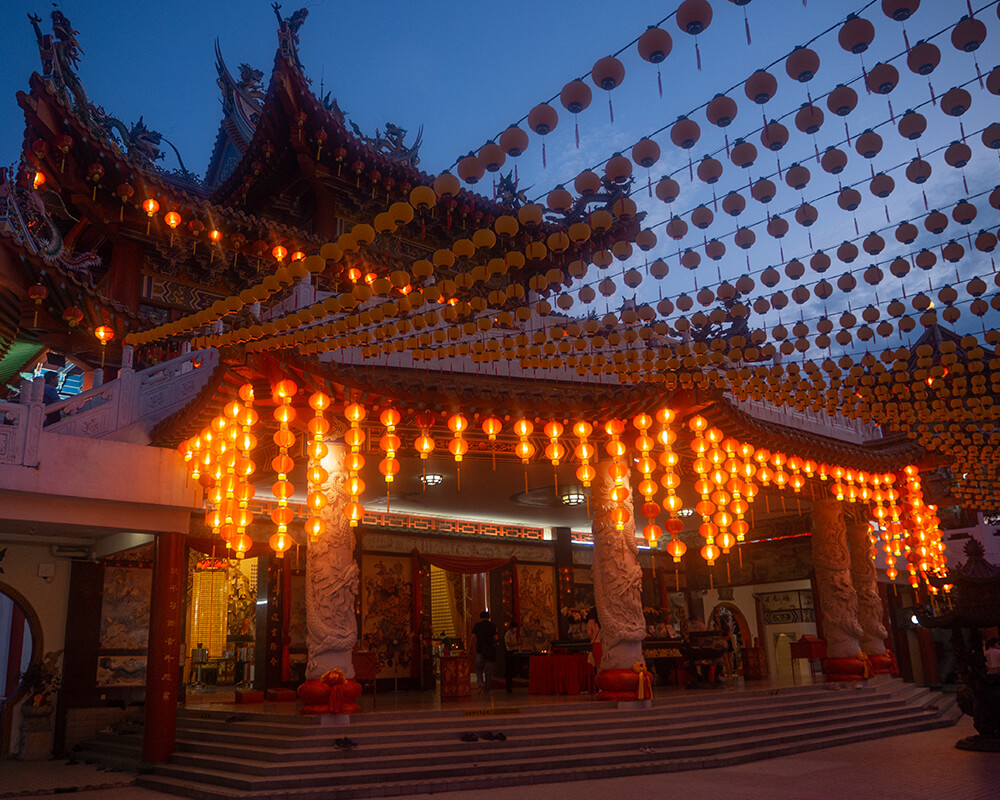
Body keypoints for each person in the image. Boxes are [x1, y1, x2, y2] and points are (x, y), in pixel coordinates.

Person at [470, 610, 498, 694]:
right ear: (488, 617)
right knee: (488, 672)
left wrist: (469, 648)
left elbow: (473, 637)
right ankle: (487, 689)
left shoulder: (477, 626)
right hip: (489, 651)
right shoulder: (492, 625)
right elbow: (496, 637)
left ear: (480, 617)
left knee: (478, 669)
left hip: (480, 650)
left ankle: (480, 683)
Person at [504, 622, 522, 694]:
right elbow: (508, 644)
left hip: (515, 652)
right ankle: (508, 688)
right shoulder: (507, 634)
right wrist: (516, 643)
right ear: (511, 627)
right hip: (510, 653)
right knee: (509, 671)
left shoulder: (514, 634)